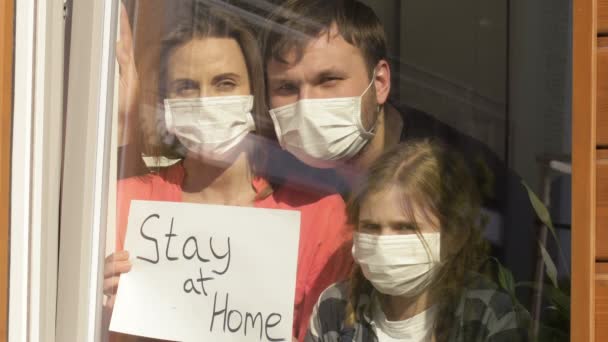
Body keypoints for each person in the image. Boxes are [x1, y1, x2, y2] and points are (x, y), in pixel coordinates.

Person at [104, 2, 352, 341]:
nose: (206, 101)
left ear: (254, 93)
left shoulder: (319, 214)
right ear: (167, 103)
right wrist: (96, 298)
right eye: (186, 87)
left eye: (224, 83)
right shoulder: (122, 203)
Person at [261, 0, 536, 294]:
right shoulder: (274, 176)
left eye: (329, 80)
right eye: (286, 88)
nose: (307, 105)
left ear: (379, 82)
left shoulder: (461, 177)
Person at [306, 140, 531, 341]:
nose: (383, 244)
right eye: (371, 227)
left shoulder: (489, 315)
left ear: (455, 236)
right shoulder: (335, 306)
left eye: (405, 227)